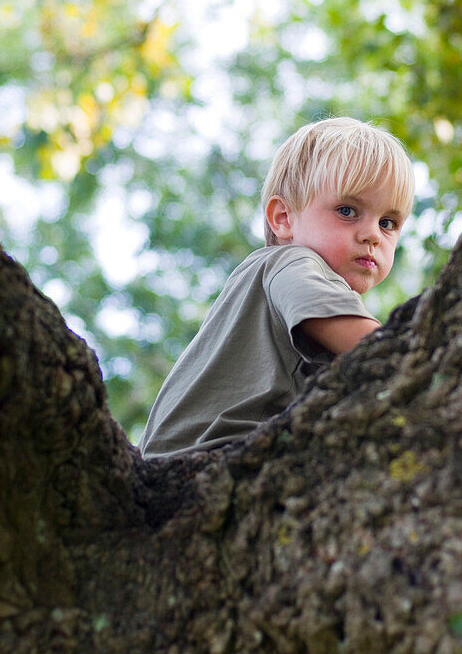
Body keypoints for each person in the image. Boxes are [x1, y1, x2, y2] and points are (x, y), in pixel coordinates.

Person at [139, 117, 415, 458]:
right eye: (348, 211)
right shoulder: (293, 263)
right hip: (207, 462)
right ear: (283, 218)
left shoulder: (269, 276)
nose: (372, 234)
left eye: (388, 223)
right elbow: (380, 353)